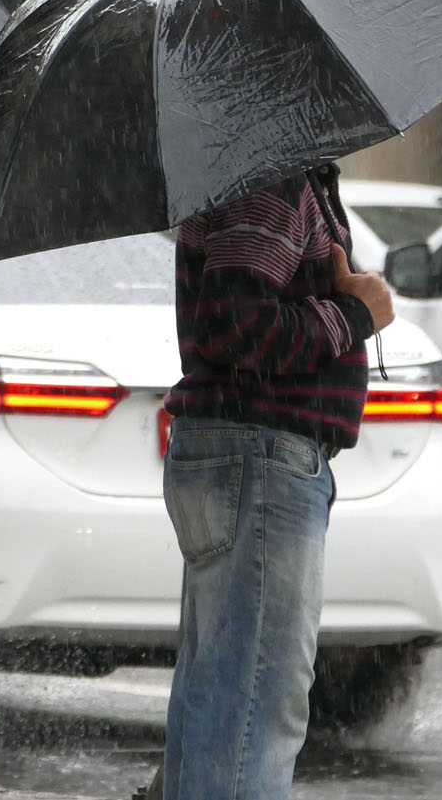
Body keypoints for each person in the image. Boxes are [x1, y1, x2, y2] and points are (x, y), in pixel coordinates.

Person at [158, 163, 395, 799]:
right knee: (255, 707)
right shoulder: (271, 182)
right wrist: (353, 315)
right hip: (261, 459)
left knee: (221, 693)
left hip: (242, 455)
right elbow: (234, 323)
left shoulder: (261, 174)